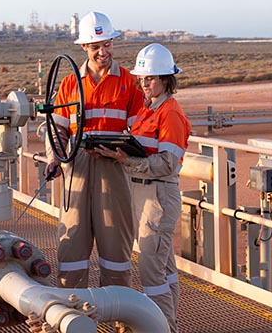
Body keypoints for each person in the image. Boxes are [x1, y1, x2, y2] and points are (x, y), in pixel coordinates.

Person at [95, 43, 190, 333]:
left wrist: (127, 160)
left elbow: (168, 164)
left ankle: (158, 327)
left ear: (165, 79)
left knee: (152, 273)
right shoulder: (150, 111)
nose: (143, 84)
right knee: (165, 269)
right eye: (141, 79)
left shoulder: (169, 113)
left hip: (158, 195)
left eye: (149, 79)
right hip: (145, 194)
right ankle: (169, 326)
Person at [44, 11, 144, 289]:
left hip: (114, 168)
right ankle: (74, 317)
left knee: (116, 253)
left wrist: (123, 151)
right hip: (76, 169)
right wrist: (55, 159)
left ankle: (120, 320)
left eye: (108, 44)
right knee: (71, 248)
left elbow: (140, 130)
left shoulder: (128, 81)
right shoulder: (69, 84)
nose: (103, 52)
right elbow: (57, 129)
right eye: (96, 46)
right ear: (85, 47)